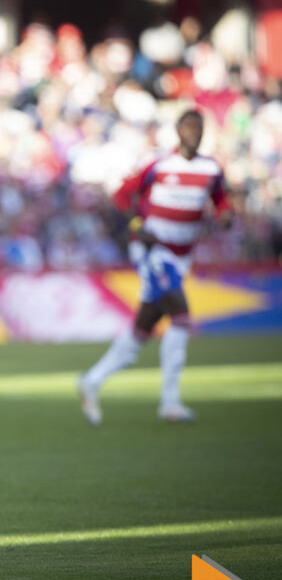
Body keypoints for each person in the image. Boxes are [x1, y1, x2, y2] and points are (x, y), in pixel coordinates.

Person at [79, 109, 232, 425]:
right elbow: (122, 195)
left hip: (182, 255)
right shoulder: (157, 163)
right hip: (152, 249)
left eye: (199, 128)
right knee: (180, 315)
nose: (194, 133)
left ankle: (92, 380)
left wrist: (226, 216)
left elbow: (221, 202)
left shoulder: (211, 168)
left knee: (143, 327)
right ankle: (170, 402)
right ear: (177, 130)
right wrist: (138, 223)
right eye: (189, 127)